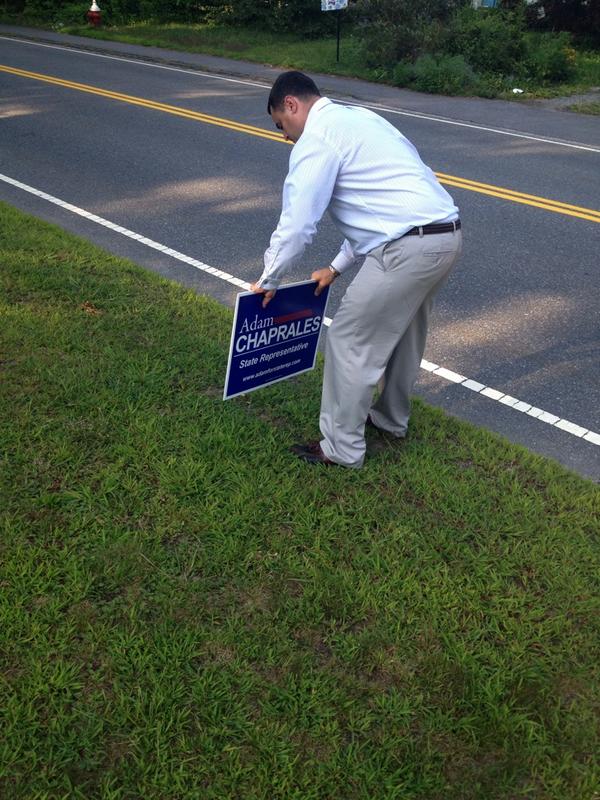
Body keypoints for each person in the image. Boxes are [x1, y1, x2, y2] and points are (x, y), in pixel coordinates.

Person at [251, 71, 462, 468]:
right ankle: (390, 420)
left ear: (292, 105)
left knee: (348, 339)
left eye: (281, 124)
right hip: (445, 236)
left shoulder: (317, 138)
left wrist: (268, 279)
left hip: (406, 249)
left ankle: (341, 448)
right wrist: (335, 267)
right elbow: (382, 206)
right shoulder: (361, 120)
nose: (284, 135)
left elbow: (298, 225)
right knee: (405, 335)